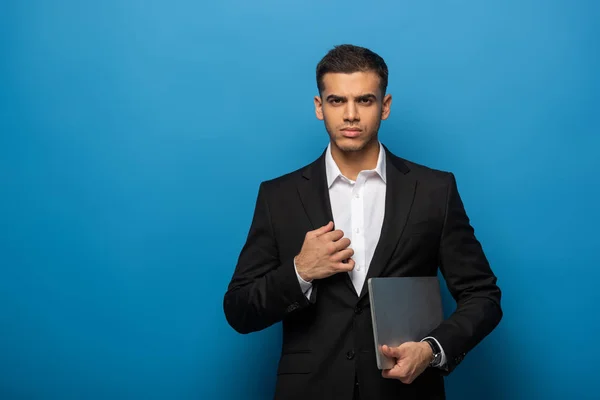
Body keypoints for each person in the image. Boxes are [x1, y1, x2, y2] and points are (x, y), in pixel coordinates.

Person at [223, 44, 502, 400]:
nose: (351, 114)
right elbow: (239, 310)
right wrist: (300, 271)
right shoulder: (278, 196)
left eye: (365, 100)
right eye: (337, 101)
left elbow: (483, 295)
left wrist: (431, 349)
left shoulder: (434, 190)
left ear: (384, 107)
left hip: (405, 392)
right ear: (319, 107)